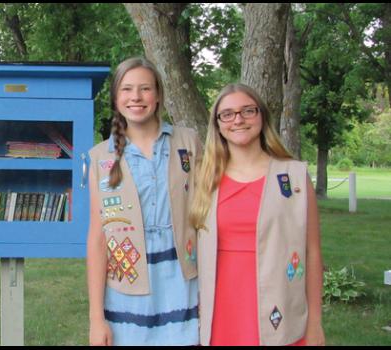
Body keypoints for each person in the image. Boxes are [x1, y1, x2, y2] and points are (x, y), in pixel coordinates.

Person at [190, 83, 325, 346]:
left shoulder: (293, 177)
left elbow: (312, 253)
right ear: (217, 124)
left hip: (279, 306)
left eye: (247, 111)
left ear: (262, 116)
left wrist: (315, 323)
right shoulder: (203, 178)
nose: (238, 119)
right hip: (221, 307)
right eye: (227, 114)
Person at [86, 57, 202, 346]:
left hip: (183, 280)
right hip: (127, 286)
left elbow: (209, 215)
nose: (136, 97)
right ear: (116, 98)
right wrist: (96, 319)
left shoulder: (188, 143)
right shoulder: (100, 157)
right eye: (126, 89)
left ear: (158, 94)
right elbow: (98, 238)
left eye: (145, 89)